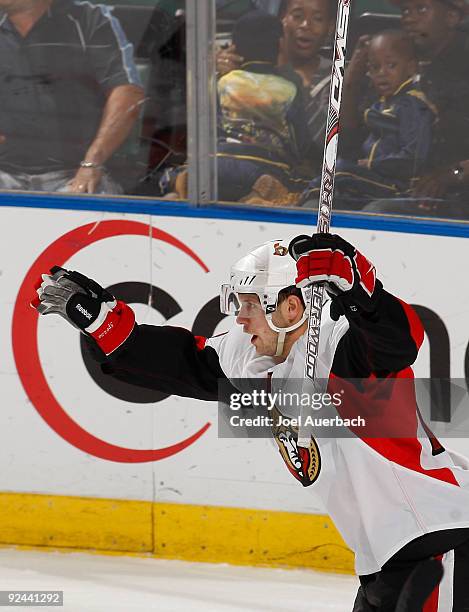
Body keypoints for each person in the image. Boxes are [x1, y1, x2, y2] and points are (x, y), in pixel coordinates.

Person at [32, 232, 469, 610]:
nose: (238, 318)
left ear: (291, 309)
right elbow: (181, 362)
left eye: (248, 305)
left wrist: (360, 289)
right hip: (385, 559)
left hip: (441, 541)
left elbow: (398, 341)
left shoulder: (341, 349)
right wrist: (103, 323)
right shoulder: (252, 352)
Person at [0, 0, 145, 194]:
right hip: (4, 173)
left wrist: (92, 163)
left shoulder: (89, 19)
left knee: (97, 205)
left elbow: (127, 93)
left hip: (75, 174)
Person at [342, 0, 469, 216]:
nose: (409, 18)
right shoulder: (391, 64)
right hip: (382, 183)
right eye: (405, 10)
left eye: (421, 9)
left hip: (449, 196)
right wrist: (353, 76)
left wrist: (454, 173)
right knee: (319, 201)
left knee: (377, 213)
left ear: (452, 17)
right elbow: (347, 139)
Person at [304, 30, 436, 206]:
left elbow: (413, 158)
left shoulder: (412, 105)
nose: (382, 73)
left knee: (340, 171)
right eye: (375, 67)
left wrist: (373, 164)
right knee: (338, 171)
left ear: (411, 68)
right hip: (372, 179)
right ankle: (311, 197)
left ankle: (298, 195)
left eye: (391, 65)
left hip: (396, 185)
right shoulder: (380, 102)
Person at [216, 10, 312, 203]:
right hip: (265, 166)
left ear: (234, 47)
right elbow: (301, 142)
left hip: (219, 160)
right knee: (299, 186)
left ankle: (179, 187)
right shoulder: (289, 88)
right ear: (279, 46)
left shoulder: (223, 82)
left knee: (181, 176)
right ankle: (258, 197)